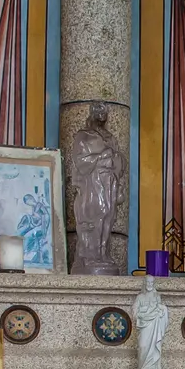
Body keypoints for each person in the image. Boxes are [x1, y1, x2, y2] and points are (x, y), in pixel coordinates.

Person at [69, 102, 123, 276]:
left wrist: (115, 160)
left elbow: (120, 160)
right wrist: (102, 157)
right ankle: (89, 255)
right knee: (95, 216)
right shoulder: (83, 136)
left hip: (109, 182)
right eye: (98, 111)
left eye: (104, 112)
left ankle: (103, 253)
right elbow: (80, 161)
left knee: (109, 215)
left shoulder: (110, 137)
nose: (102, 115)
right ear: (91, 114)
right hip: (93, 183)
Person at [133, 275, 169, 369]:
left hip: (154, 325)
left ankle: (153, 367)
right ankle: (142, 368)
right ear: (144, 283)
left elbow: (160, 310)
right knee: (142, 345)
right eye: (148, 282)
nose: (149, 284)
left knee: (154, 346)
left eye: (151, 283)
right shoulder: (140, 297)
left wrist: (161, 311)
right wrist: (144, 313)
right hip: (144, 325)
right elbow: (135, 312)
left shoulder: (157, 296)